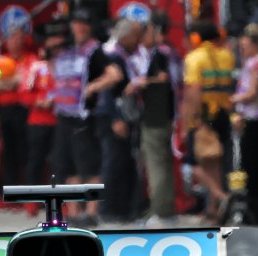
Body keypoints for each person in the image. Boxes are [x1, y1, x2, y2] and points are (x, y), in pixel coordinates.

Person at [50, 9, 121, 226]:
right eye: (76, 23)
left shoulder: (94, 51)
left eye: (84, 24)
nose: (79, 28)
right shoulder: (68, 50)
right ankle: (73, 211)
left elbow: (115, 74)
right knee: (67, 165)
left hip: (85, 117)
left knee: (89, 166)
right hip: (64, 115)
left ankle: (91, 211)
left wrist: (93, 87)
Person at [183, 20, 235, 222]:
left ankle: (221, 196)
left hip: (204, 114)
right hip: (223, 113)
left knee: (194, 162)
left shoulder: (194, 58)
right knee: (214, 161)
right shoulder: (227, 56)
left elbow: (194, 90)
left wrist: (193, 117)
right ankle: (214, 210)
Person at [129, 12, 178, 224]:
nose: (142, 36)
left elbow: (165, 80)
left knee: (156, 164)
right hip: (167, 116)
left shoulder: (161, 54)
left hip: (157, 117)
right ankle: (164, 208)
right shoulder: (170, 53)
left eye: (147, 30)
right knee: (163, 164)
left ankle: (160, 211)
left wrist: (142, 82)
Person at [101, 18, 146, 223]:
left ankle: (127, 209)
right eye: (135, 36)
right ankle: (109, 209)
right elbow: (108, 92)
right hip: (116, 119)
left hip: (128, 116)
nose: (138, 40)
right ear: (126, 37)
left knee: (127, 163)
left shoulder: (126, 57)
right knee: (115, 163)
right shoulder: (113, 57)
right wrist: (115, 119)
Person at [231, 23, 258, 224]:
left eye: (245, 46)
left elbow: (252, 91)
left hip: (254, 117)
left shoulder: (255, 63)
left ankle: (254, 206)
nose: (243, 50)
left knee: (251, 162)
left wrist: (234, 99)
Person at [19, 25, 63, 199]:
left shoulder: (66, 66)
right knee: (35, 160)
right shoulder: (36, 67)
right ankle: (32, 199)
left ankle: (60, 199)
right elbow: (23, 93)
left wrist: (57, 100)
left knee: (59, 161)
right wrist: (38, 101)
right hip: (38, 120)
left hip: (60, 120)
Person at [0, 26, 33, 189]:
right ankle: (9, 189)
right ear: (6, 41)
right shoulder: (2, 62)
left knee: (24, 150)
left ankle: (26, 190)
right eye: (12, 37)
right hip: (4, 110)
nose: (16, 41)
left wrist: (12, 82)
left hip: (23, 109)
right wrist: (12, 81)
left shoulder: (29, 59)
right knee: (7, 150)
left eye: (19, 37)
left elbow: (25, 80)